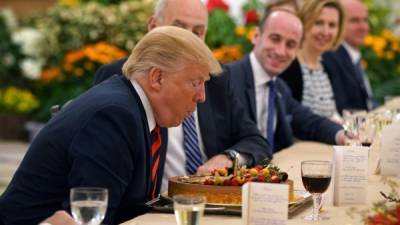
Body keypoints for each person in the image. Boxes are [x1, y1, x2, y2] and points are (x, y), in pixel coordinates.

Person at [0, 26, 222, 225]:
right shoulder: (114, 115)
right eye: (195, 82)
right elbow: (95, 219)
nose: (202, 96)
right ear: (157, 78)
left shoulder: (141, 108)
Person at [94, 0, 271, 192]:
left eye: (197, 32)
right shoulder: (123, 76)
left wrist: (229, 158)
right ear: (153, 27)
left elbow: (256, 141)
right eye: (178, 29)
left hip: (207, 202)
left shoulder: (215, 79)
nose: (187, 41)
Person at [225, 10, 347, 153]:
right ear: (256, 36)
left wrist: (342, 135)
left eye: (290, 45)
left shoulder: (279, 87)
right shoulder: (227, 80)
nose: (281, 51)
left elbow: (310, 122)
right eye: (275, 39)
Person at [280, 0, 347, 120]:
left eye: (332, 25)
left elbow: (331, 114)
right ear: (303, 23)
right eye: (318, 23)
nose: (325, 32)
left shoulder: (326, 67)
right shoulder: (289, 66)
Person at [323, 0, 377, 111]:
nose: (363, 27)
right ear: (338, 24)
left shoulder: (353, 56)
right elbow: (344, 110)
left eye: (365, 20)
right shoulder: (330, 58)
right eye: (354, 20)